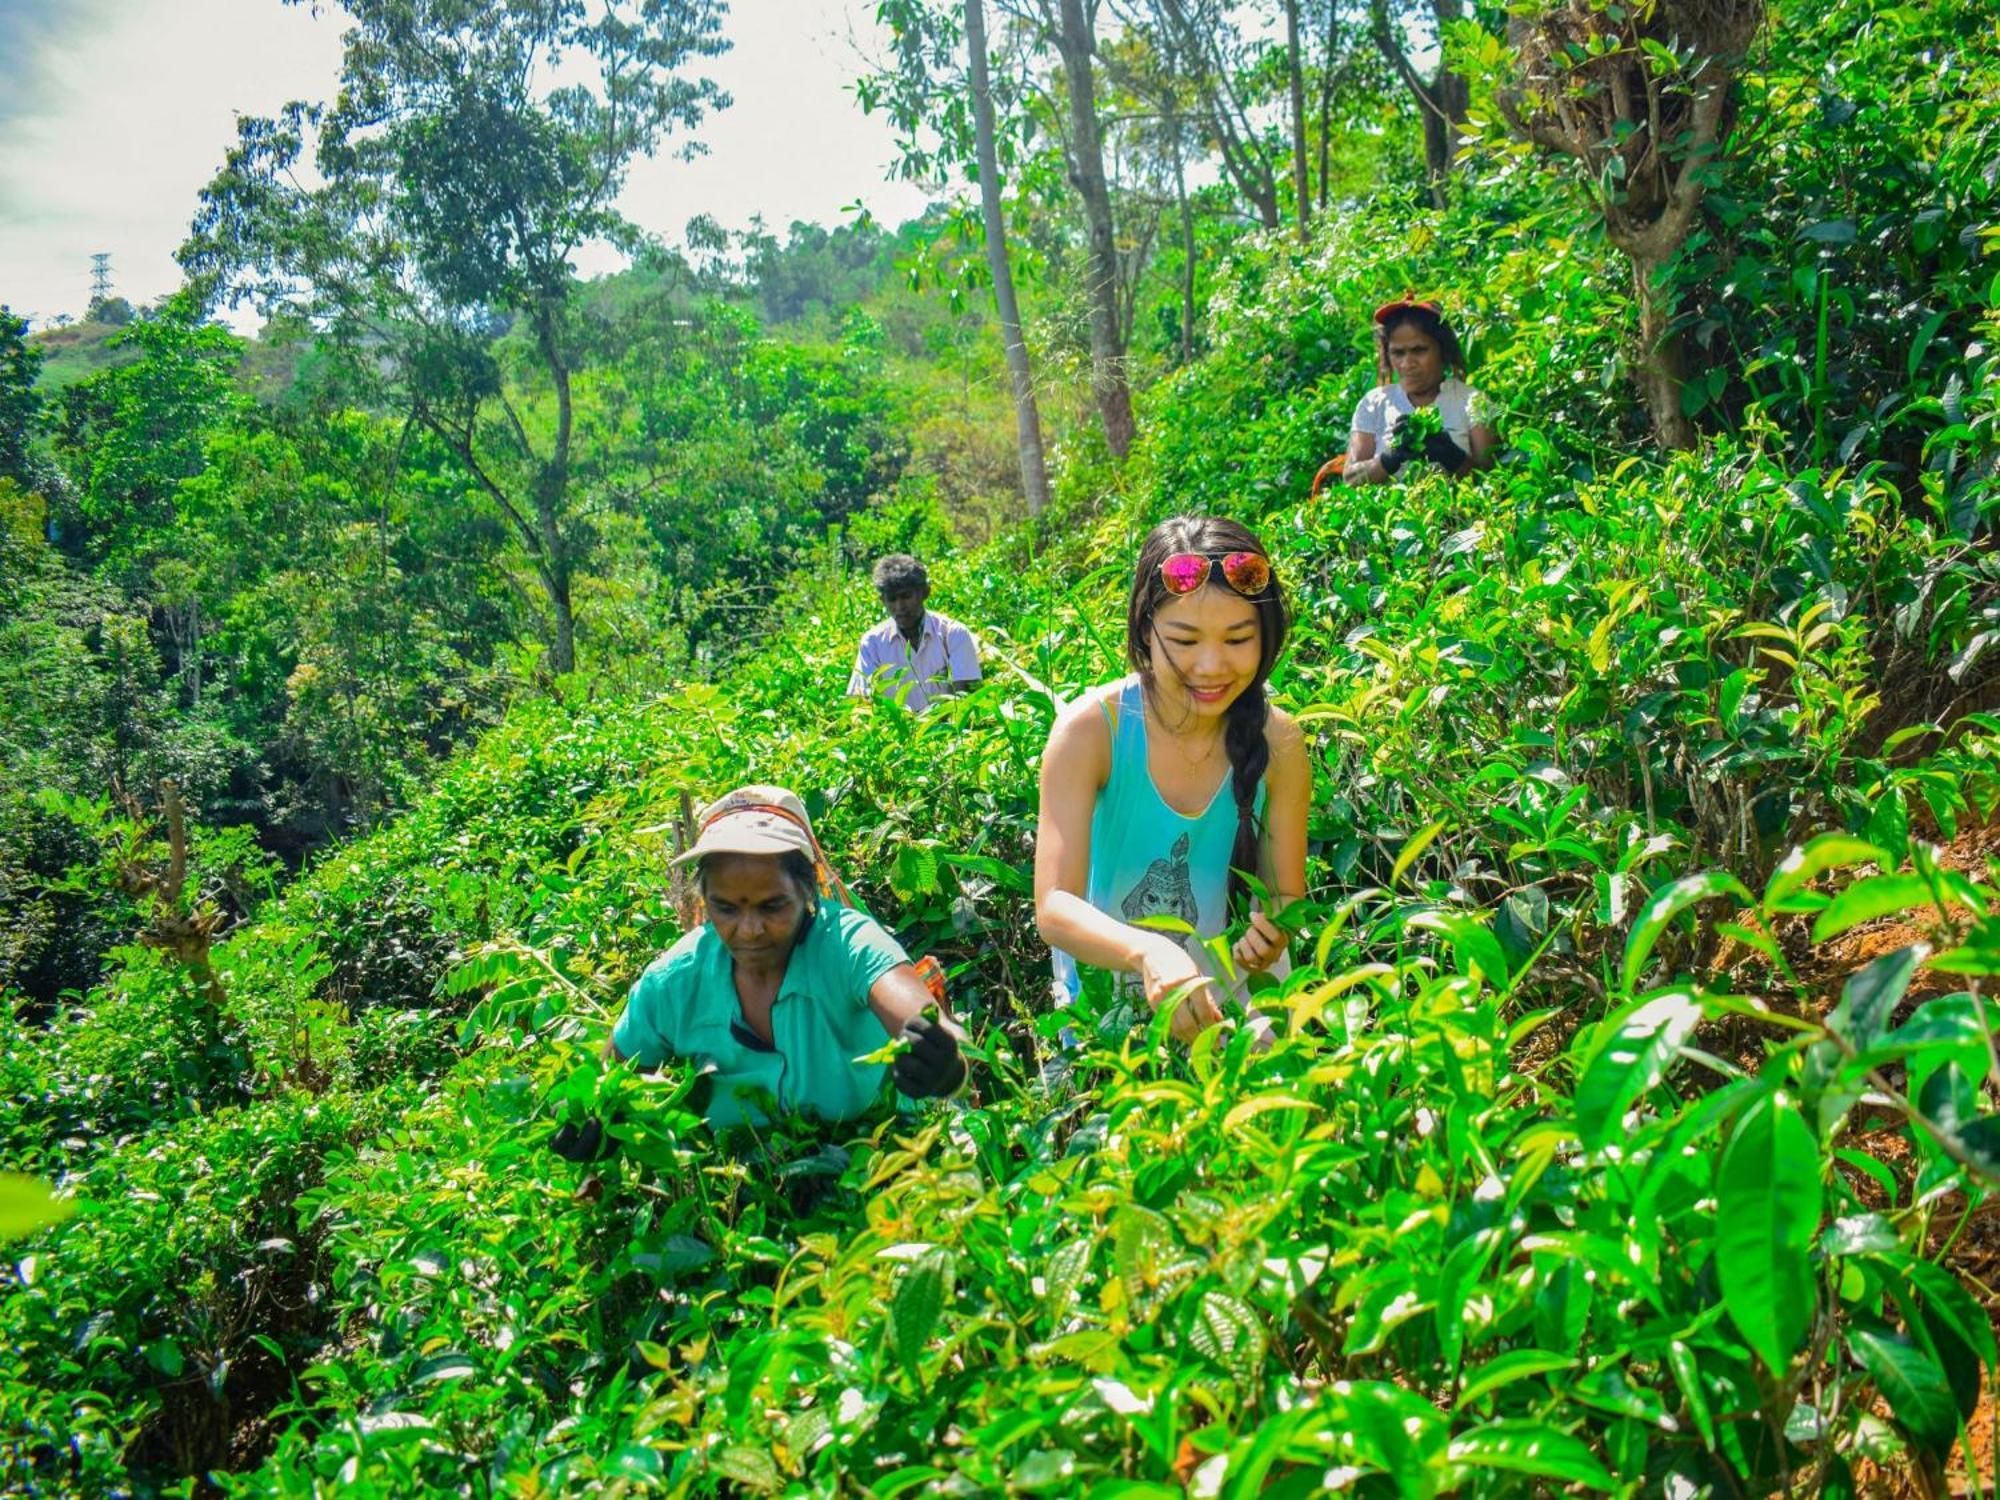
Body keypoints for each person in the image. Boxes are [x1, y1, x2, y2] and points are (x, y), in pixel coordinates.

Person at [560, 786, 967, 1150]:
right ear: (705, 900)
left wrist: (946, 1063)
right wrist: (591, 1125)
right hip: (740, 1188)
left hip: (877, 1159)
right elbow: (607, 1085)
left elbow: (924, 1018)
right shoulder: (677, 979)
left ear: (807, 891)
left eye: (772, 906)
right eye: (726, 908)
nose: (750, 930)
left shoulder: (848, 944)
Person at [1034, 516, 1311, 1042]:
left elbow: (1284, 894)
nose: (1211, 666)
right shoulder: (1092, 731)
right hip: (1108, 1005)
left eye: (1237, 639)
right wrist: (1150, 951)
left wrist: (1273, 933)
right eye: (1184, 640)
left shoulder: (1281, 743)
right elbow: (1054, 906)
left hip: (1230, 994)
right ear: (1146, 631)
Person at [1342, 297, 1497, 486]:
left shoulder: (1472, 401)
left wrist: (1453, 456)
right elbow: (1350, 479)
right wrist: (1390, 458)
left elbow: (1493, 481)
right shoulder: (1374, 404)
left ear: (1443, 351)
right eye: (1398, 353)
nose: (1407, 364)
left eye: (1419, 350)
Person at [848, 554, 982, 713]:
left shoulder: (952, 634)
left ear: (924, 593)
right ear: (882, 601)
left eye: (906, 596)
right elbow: (861, 702)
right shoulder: (873, 643)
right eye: (892, 599)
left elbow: (965, 700)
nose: (900, 606)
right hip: (896, 734)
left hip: (949, 732)